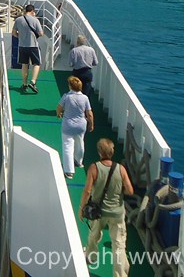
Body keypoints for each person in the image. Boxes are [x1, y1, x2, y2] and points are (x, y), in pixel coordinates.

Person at [81, 138, 134, 276]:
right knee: (119, 245)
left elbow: (87, 191)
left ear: (99, 152)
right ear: (112, 152)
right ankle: (120, 274)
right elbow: (130, 191)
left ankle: (91, 257)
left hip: (98, 212)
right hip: (117, 213)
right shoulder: (120, 169)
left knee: (94, 236)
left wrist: (82, 208)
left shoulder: (94, 168)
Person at [56, 76, 93, 178]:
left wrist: (58, 114)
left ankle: (69, 171)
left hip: (68, 125)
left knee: (68, 146)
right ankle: (78, 161)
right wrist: (91, 124)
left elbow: (59, 108)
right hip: (81, 125)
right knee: (80, 142)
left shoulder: (66, 97)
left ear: (70, 86)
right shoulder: (85, 98)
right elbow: (89, 113)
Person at [12, 4, 44, 93]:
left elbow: (14, 33)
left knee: (24, 65)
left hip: (22, 46)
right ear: (32, 11)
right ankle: (33, 82)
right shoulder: (35, 20)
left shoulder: (18, 20)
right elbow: (41, 33)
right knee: (36, 64)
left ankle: (25, 84)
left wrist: (20, 36)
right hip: (33, 45)